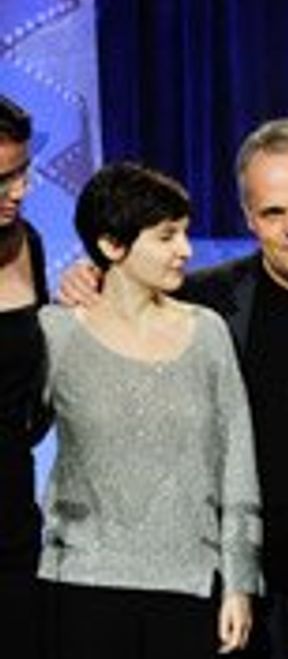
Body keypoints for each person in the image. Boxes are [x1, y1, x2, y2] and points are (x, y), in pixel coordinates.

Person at [58, 118, 288, 659]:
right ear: (248, 216)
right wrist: (94, 276)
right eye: (273, 213)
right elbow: (121, 300)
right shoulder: (197, 304)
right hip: (238, 593)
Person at [38, 162, 259, 658]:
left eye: (184, 233)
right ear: (112, 245)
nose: (185, 250)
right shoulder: (56, 332)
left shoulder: (207, 332)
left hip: (190, 585)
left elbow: (237, 464)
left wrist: (239, 582)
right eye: (166, 236)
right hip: (82, 585)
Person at [0, 94, 51, 659]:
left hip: (14, 515)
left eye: (22, 172)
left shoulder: (28, 242)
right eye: (0, 180)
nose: (17, 192)